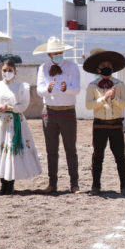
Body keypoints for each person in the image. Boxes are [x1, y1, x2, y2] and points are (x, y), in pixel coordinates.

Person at [0, 60, 41, 195]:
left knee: (11, 152)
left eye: (10, 70)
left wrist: (11, 108)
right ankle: (3, 184)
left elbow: (24, 105)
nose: (7, 73)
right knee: (0, 151)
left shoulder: (22, 87)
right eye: (4, 70)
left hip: (14, 121)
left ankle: (10, 184)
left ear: (15, 72)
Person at [35, 37, 81, 194]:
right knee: (51, 149)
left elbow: (77, 89)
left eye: (60, 52)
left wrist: (66, 88)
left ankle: (74, 183)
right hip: (50, 111)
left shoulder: (72, 67)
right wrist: (48, 88)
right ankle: (52, 183)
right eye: (55, 53)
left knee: (70, 149)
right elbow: (39, 90)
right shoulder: (43, 68)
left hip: (67, 110)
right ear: (49, 54)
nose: (58, 55)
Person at [84, 49, 125, 196]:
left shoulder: (120, 84)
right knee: (98, 155)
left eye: (109, 65)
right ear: (98, 69)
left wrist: (114, 98)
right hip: (99, 124)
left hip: (116, 124)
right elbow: (89, 105)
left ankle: (124, 186)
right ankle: (95, 186)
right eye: (103, 65)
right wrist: (103, 99)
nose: (106, 67)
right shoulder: (92, 86)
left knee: (120, 156)